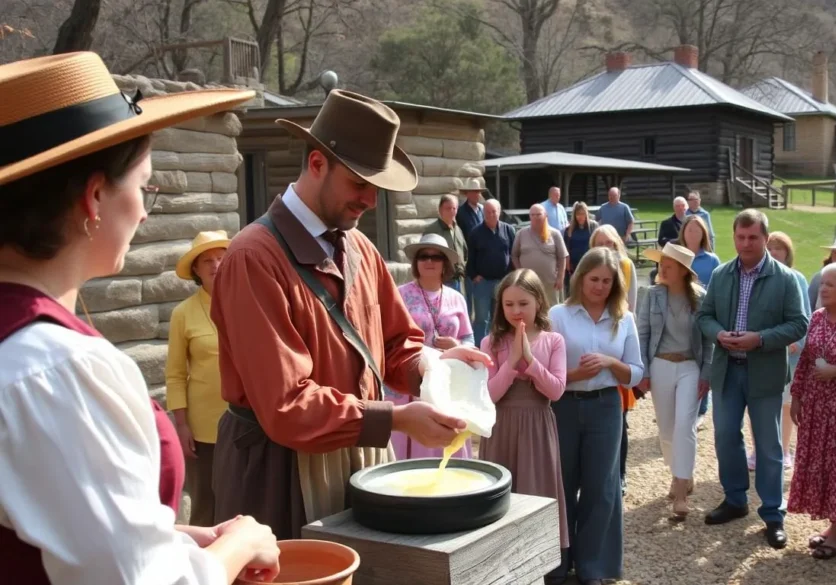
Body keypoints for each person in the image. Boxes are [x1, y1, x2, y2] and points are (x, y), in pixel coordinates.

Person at [0, 51, 280, 583]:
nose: (146, 209)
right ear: (95, 197)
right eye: (144, 185)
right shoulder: (54, 372)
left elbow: (52, 523)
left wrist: (175, 539)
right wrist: (241, 544)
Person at [210, 90, 492, 540]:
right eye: (359, 183)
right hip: (279, 472)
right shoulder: (253, 258)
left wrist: (435, 369)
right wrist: (396, 420)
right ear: (317, 163)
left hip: (361, 452)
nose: (370, 200)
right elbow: (287, 407)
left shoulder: (360, 247)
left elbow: (399, 344)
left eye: (376, 187)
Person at [696, 209, 808, 549]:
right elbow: (705, 316)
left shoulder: (785, 278)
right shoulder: (720, 274)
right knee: (726, 435)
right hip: (728, 370)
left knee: (769, 446)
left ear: (765, 239)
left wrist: (759, 338)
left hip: (764, 372)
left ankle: (773, 514)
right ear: (734, 237)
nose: (746, 243)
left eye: (753, 237)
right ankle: (735, 499)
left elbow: (799, 323)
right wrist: (719, 335)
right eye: (741, 237)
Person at [549, 247, 644, 585]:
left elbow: (635, 373)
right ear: (580, 278)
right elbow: (546, 369)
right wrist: (575, 374)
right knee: (562, 482)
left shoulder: (624, 318)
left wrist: (608, 363)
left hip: (607, 405)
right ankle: (557, 563)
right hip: (564, 405)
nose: (600, 286)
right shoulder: (559, 314)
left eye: (607, 280)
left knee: (601, 487)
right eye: (594, 279)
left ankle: (594, 566)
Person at [479, 269, 568, 556]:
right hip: (501, 427)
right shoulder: (490, 343)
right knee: (500, 500)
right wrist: (511, 362)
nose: (516, 310)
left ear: (538, 302)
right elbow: (488, 395)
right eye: (509, 304)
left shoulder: (553, 341)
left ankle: (535, 561)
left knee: (535, 492)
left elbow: (555, 391)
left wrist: (529, 360)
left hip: (537, 428)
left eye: (523, 303)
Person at [787, 262, 836, 561]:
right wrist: (797, 397)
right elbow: (806, 361)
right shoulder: (818, 318)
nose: (822, 288)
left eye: (830, 284)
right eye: (822, 283)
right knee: (822, 463)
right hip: (818, 405)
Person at [635, 243, 712, 520]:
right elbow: (641, 333)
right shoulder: (651, 295)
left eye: (668, 264)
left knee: (684, 426)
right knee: (667, 430)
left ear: (682, 271)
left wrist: (707, 373)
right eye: (661, 263)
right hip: (661, 366)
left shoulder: (701, 298)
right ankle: (680, 471)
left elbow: (708, 340)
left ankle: (681, 490)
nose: (661, 268)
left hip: (691, 366)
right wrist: (643, 371)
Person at [387, 234, 475, 460]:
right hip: (412, 380)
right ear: (415, 262)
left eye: (435, 256)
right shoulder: (400, 294)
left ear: (445, 263)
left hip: (447, 381)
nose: (429, 261)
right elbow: (389, 336)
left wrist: (456, 345)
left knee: (446, 443)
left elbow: (469, 339)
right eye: (423, 256)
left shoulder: (457, 298)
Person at [166, 230, 232, 526]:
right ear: (196, 269)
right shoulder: (184, 313)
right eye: (207, 260)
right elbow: (176, 374)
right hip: (204, 427)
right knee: (206, 504)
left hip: (248, 422)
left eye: (221, 258)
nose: (216, 265)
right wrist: (181, 425)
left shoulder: (248, 302)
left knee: (245, 501)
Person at [589, 224, 639, 491]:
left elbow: (630, 308)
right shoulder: (589, 273)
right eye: (600, 244)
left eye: (610, 243)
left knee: (620, 420)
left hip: (616, 345)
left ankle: (619, 474)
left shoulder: (626, 267)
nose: (606, 249)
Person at [766, 231, 811, 469]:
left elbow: (805, 316)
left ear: (787, 252)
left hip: (789, 353)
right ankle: (758, 450)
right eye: (770, 247)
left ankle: (784, 450)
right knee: (759, 404)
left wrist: (794, 340)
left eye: (778, 248)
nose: (774, 252)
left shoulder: (797, 278)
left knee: (785, 403)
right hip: (762, 351)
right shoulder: (758, 277)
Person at [677, 214, 721, 428]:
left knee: (703, 359)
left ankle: (702, 407)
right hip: (678, 315)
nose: (693, 233)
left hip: (704, 315)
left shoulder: (712, 260)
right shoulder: (676, 256)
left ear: (703, 233)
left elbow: (719, 288)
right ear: (683, 232)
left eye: (697, 230)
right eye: (689, 230)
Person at [467, 199, 517, 345]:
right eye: (487, 212)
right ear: (483, 213)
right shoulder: (475, 233)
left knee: (499, 317)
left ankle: (497, 345)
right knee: (482, 318)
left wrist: (512, 277)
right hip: (483, 283)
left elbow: (513, 254)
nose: (491, 214)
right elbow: (470, 257)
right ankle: (479, 347)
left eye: (494, 211)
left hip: (503, 282)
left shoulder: (508, 230)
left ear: (499, 212)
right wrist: (474, 276)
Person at [512, 203, 568, 306]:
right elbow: (514, 256)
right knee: (530, 308)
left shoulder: (555, 234)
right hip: (528, 282)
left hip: (550, 283)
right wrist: (520, 272)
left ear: (545, 215)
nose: (535, 217)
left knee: (552, 311)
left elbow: (562, 257)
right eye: (532, 215)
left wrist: (560, 277)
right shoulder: (521, 233)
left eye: (538, 214)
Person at [423, 194, 468, 292]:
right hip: (441, 281)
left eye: (454, 208)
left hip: (459, 281)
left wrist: (462, 268)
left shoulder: (457, 229)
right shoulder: (432, 230)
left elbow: (465, 252)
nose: (452, 211)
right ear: (440, 210)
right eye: (448, 208)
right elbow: (424, 256)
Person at [563, 201, 598, 291]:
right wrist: (567, 263)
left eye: (582, 214)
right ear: (574, 215)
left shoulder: (593, 226)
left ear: (586, 214)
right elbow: (566, 248)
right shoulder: (569, 230)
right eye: (578, 214)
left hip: (590, 263)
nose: (580, 216)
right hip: (574, 265)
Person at [455, 176, 487, 241]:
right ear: (467, 194)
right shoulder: (461, 212)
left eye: (478, 192)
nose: (477, 194)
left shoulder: (483, 209)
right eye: (474, 192)